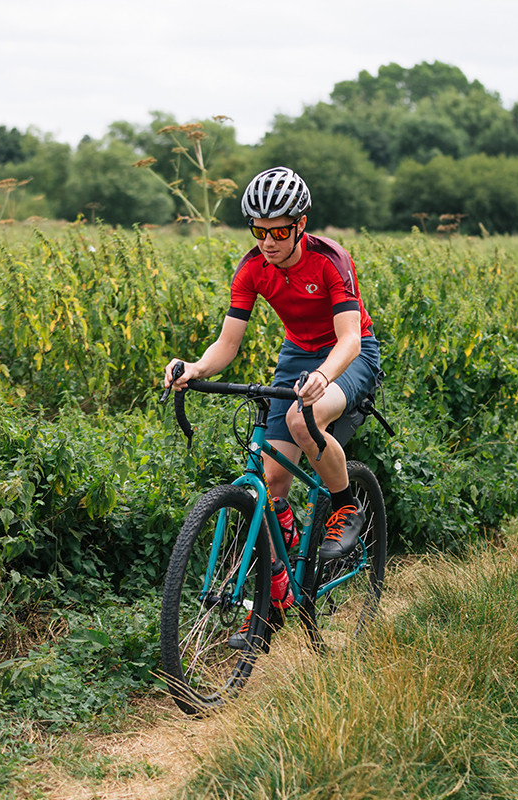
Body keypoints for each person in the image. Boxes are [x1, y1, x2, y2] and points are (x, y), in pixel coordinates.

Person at [163, 166, 381, 626]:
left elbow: (349, 340)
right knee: (273, 482)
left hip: (348, 354)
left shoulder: (329, 260)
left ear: (300, 225)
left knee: (305, 422)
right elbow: (227, 344)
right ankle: (275, 594)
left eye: (279, 230)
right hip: (298, 354)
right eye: (259, 231)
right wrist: (196, 368)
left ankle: (345, 507)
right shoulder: (251, 269)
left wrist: (323, 375)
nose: (268, 241)